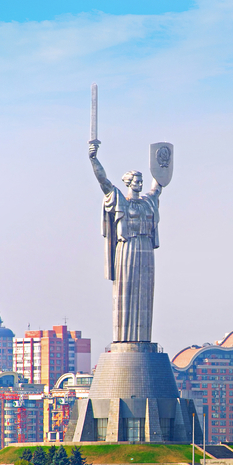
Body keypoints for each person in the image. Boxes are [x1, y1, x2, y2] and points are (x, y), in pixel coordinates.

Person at [89, 141, 162, 343]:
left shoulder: (148, 202)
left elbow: (158, 185)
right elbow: (103, 181)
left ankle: (143, 339)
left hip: (146, 249)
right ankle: (124, 339)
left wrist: (161, 165)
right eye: (136, 180)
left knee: (145, 292)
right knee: (126, 290)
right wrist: (94, 159)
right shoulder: (120, 199)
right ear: (128, 182)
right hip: (127, 248)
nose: (140, 183)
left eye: (141, 180)